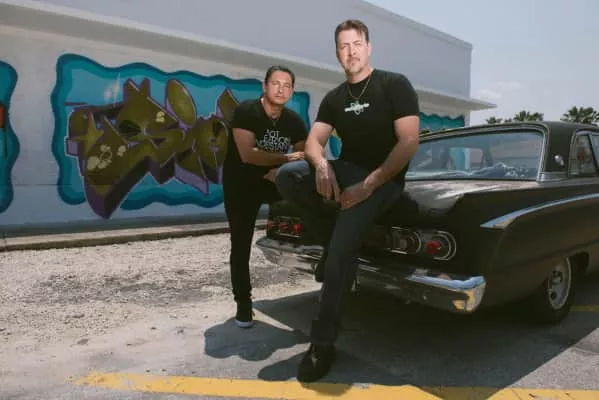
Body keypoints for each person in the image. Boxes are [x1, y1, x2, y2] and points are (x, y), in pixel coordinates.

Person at [275, 19, 420, 381]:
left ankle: (322, 343)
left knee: (343, 249)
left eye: (357, 44)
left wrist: (368, 186)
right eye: (343, 46)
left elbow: (408, 142)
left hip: (384, 179)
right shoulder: (335, 98)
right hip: (346, 171)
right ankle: (332, 242)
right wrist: (322, 165)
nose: (351, 52)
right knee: (288, 175)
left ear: (368, 48)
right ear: (337, 52)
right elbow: (313, 142)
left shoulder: (394, 85)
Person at [222, 65, 308, 328]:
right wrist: (286, 159)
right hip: (240, 185)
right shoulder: (247, 111)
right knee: (240, 244)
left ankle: (324, 258)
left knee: (313, 200)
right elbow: (248, 154)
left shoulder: (293, 120)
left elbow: (305, 154)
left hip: (273, 181)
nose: (281, 89)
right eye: (276, 83)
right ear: (265, 86)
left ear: (292, 91)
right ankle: (243, 305)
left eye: (287, 85)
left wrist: (280, 170)